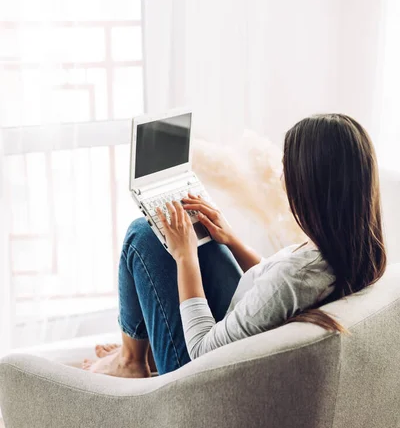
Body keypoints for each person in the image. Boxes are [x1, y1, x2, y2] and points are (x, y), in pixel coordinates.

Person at [82, 113, 387, 378]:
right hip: (230, 341)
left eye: (288, 170)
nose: (282, 177)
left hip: (194, 374)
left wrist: (185, 256)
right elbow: (275, 293)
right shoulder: (352, 255)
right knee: (207, 243)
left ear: (312, 188)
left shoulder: (295, 279)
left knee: (142, 236)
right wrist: (231, 240)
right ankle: (141, 350)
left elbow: (202, 352)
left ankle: (131, 361)